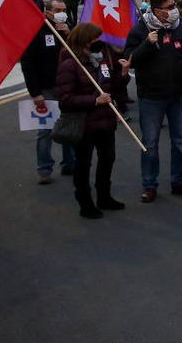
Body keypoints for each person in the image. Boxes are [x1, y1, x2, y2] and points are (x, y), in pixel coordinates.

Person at [125, 0, 182, 203]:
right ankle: (149, 184)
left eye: (174, 6)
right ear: (156, 10)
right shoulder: (140, 30)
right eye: (169, 7)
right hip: (151, 96)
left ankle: (180, 181)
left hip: (179, 93)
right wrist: (147, 44)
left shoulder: (181, 28)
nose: (174, 10)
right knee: (150, 142)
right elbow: (130, 59)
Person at [54, 22, 130, 219]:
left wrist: (122, 76)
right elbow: (65, 100)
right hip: (84, 124)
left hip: (105, 122)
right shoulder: (70, 65)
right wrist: (94, 101)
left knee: (107, 159)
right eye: (96, 39)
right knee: (84, 163)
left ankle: (104, 196)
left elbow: (112, 86)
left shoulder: (102, 61)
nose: (99, 42)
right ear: (85, 41)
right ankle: (85, 202)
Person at [21, 0, 75, 183]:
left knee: (69, 126)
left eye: (64, 10)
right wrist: (35, 92)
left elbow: (77, 55)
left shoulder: (67, 30)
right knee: (46, 130)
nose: (62, 13)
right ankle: (44, 169)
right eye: (58, 10)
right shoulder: (37, 31)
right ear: (48, 12)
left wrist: (68, 35)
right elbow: (27, 64)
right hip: (46, 88)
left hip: (66, 87)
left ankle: (70, 163)